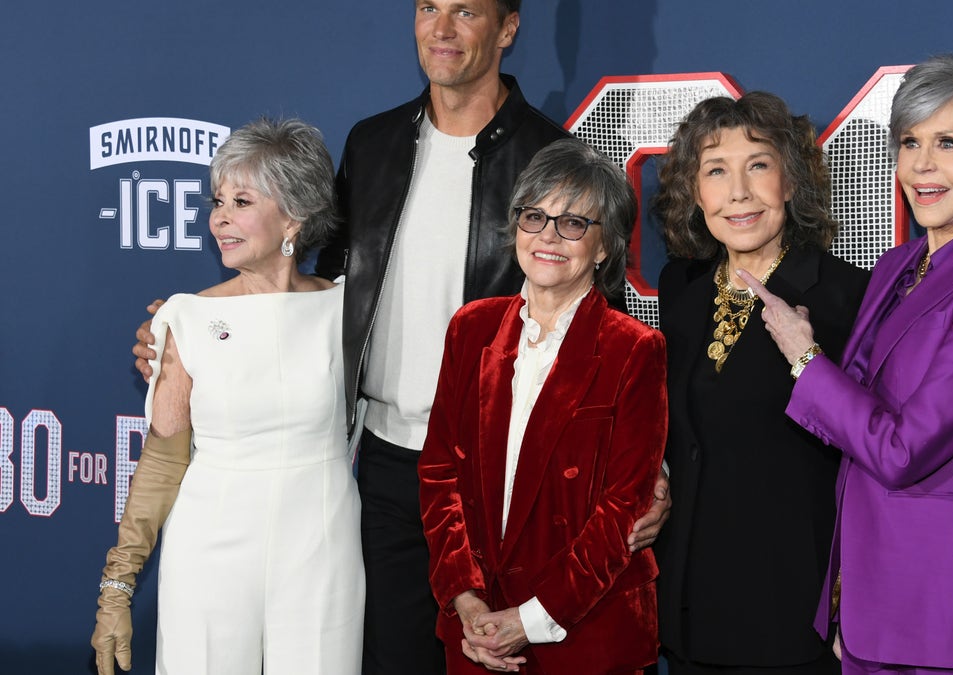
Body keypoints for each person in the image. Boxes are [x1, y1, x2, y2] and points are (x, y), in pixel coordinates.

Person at [133, 2, 671, 672]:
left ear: (508, 30)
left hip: (502, 476)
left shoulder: (549, 157)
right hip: (387, 469)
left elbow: (607, 327)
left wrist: (650, 468)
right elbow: (311, 286)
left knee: (497, 655)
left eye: (465, 10)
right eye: (427, 7)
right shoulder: (373, 144)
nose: (440, 28)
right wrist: (189, 330)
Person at [744, 49, 953, 674]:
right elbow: (856, 432)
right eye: (910, 142)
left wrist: (805, 358)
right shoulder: (897, 266)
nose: (922, 165)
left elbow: (902, 450)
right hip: (866, 608)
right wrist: (840, 601)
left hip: (947, 619)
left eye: (948, 141)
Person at [93, 118, 363, 675]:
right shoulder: (185, 318)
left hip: (323, 551)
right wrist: (116, 589)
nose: (220, 217)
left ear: (294, 214)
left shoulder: (350, 309)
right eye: (218, 200)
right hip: (209, 550)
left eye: (242, 200)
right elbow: (164, 462)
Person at [418, 138, 666, 674]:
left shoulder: (634, 348)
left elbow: (624, 506)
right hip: (476, 632)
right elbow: (440, 475)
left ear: (604, 248)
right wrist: (466, 601)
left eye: (574, 222)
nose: (548, 236)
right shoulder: (472, 327)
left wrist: (529, 620)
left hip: (586, 632)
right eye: (535, 217)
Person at [652, 91, 869, 674]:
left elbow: (873, 452)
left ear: (791, 183)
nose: (739, 192)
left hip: (791, 611)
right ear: (695, 193)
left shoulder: (847, 298)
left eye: (759, 166)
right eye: (716, 171)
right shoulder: (680, 293)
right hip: (690, 611)